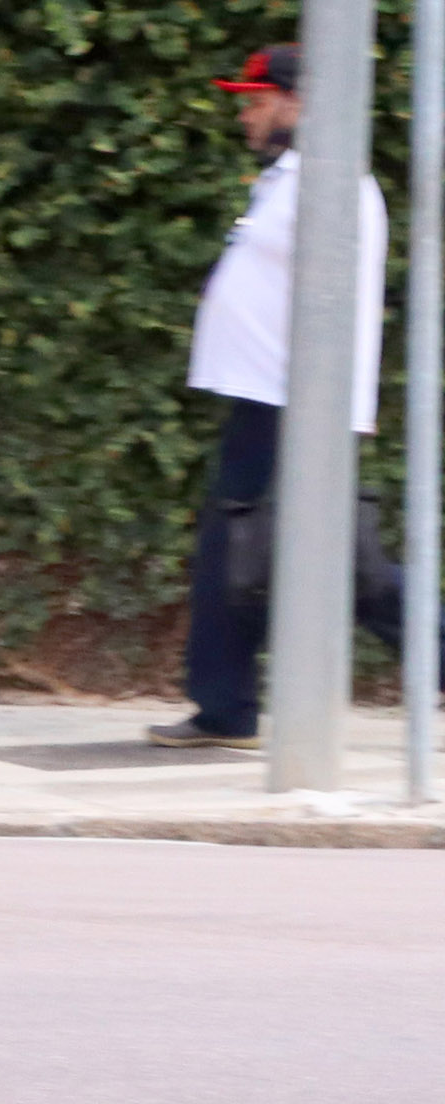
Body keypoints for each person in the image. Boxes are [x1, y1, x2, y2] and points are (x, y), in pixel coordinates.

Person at [153, 43, 396, 747]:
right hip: (271, 400)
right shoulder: (291, 181)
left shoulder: (329, 186)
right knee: (249, 557)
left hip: (296, 407)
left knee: (342, 568)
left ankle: (224, 708)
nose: (246, 116)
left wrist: (329, 410)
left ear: (300, 102)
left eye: (257, 101)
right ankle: (223, 708)